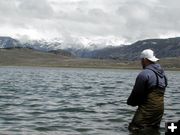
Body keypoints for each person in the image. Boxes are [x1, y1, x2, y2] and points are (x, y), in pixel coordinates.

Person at [127, 49, 168, 132]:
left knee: (134, 129)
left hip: (146, 110)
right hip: (159, 110)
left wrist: (130, 102)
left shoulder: (144, 74)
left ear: (145, 60)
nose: (141, 62)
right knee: (153, 130)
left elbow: (137, 93)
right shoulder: (163, 75)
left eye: (141, 60)